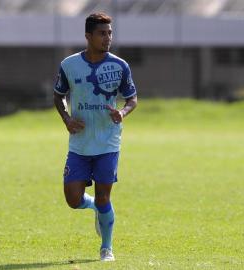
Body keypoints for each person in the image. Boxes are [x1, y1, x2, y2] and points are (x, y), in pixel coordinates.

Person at [53, 12, 138, 262]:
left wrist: (122, 112)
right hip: (79, 143)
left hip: (107, 143)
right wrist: (67, 119)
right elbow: (58, 95)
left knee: (104, 196)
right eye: (102, 33)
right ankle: (95, 210)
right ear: (88, 36)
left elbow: (132, 98)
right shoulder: (69, 65)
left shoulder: (120, 66)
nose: (108, 37)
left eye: (110, 33)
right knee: (72, 199)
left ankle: (106, 248)